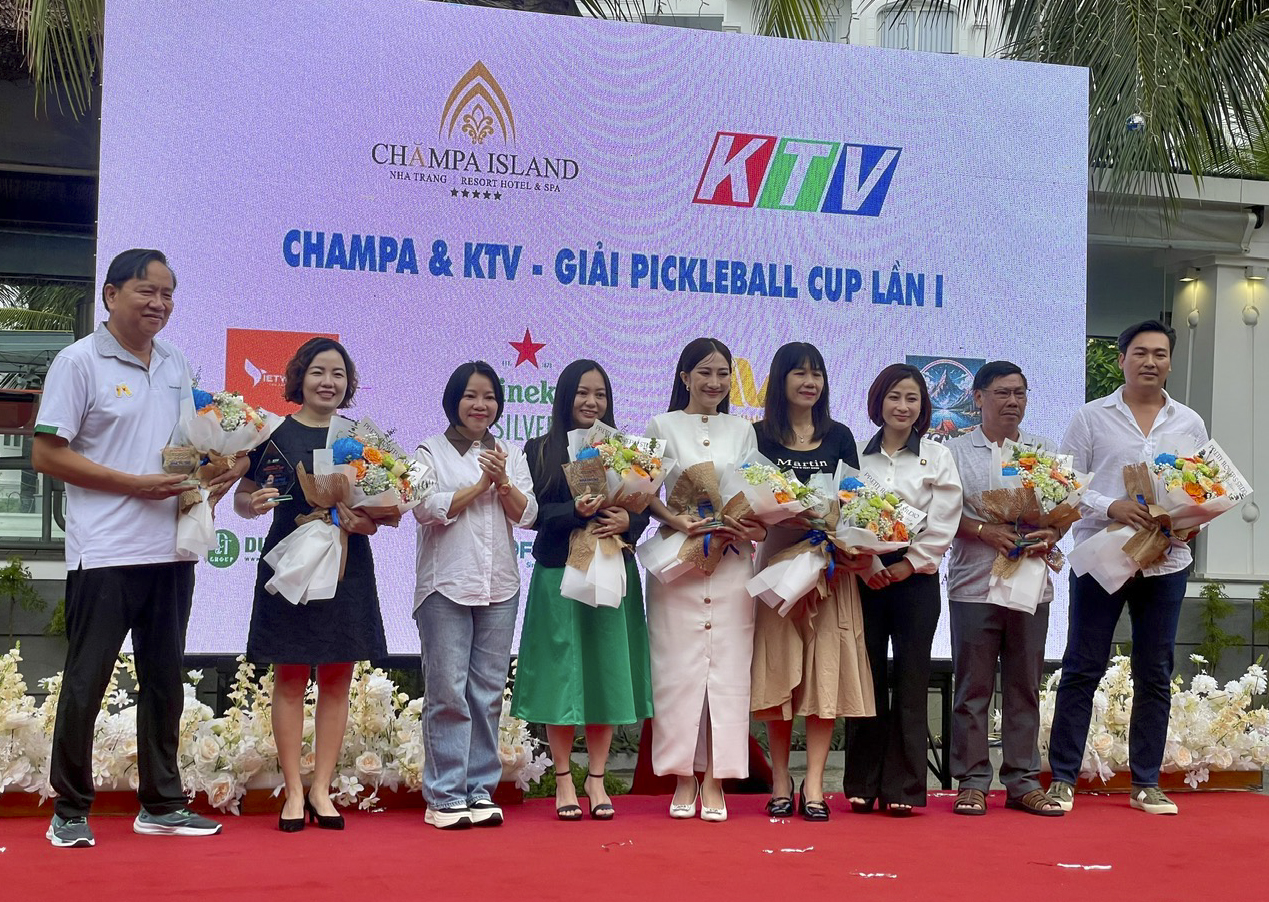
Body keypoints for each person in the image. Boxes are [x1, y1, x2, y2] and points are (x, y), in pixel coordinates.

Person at [33, 249, 240, 847]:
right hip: (106, 550)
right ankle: (70, 810)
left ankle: (163, 803)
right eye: (147, 291)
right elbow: (48, 454)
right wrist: (134, 485)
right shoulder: (79, 363)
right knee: (86, 681)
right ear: (110, 295)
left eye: (168, 294)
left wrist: (215, 469)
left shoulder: (176, 362)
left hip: (171, 548)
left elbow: (185, 447)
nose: (159, 303)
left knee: (164, 679)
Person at [1047, 320, 1208, 816]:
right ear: (1121, 359)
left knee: (1155, 670)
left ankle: (1145, 783)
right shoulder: (1091, 417)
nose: (1150, 362)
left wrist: (1193, 521)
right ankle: (1062, 779)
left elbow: (1201, 488)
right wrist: (1110, 506)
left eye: (1160, 354)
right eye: (1140, 352)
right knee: (1082, 666)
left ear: (1170, 362)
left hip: (1166, 561)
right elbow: (1065, 483)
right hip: (1103, 556)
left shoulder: (1190, 423)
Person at [233, 338, 385, 831]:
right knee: (291, 675)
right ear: (299, 378)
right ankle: (294, 790)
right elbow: (243, 496)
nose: (329, 381)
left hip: (345, 561)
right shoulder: (271, 433)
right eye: (319, 372)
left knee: (338, 675)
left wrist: (368, 518)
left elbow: (386, 506)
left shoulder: (363, 437)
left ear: (348, 383)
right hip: (291, 561)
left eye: (338, 374)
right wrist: (249, 506)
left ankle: (322, 788)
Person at [511, 360, 653, 820]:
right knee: (561, 674)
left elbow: (644, 509)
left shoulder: (622, 451)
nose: (592, 403)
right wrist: (574, 510)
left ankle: (596, 778)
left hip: (612, 567)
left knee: (605, 672)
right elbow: (533, 517)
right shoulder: (539, 449)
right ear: (564, 397)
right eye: (582, 393)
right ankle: (562, 779)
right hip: (559, 575)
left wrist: (629, 520)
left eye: (601, 395)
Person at [750, 342, 874, 822]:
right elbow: (748, 498)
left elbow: (857, 501)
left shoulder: (840, 436)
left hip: (830, 568)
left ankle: (817, 783)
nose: (810, 381)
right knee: (778, 674)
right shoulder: (758, 436)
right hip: (779, 567)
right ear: (780, 380)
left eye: (817, 373)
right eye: (799, 373)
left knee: (826, 675)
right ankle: (781, 780)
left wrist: (841, 527)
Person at [643, 337, 765, 822]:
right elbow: (645, 490)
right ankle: (682, 777)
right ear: (684, 377)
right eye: (704, 373)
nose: (714, 382)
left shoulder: (743, 429)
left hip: (733, 560)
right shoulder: (662, 424)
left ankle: (716, 776)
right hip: (679, 563)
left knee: (729, 673)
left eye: (722, 374)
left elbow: (756, 490)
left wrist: (746, 519)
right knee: (678, 674)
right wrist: (678, 523)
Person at [413, 361, 537, 829]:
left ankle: (479, 790)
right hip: (446, 584)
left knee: (486, 694)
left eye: (488, 397)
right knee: (447, 692)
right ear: (453, 400)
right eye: (470, 396)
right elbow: (426, 508)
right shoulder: (430, 451)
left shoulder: (508, 453)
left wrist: (502, 481)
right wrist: (480, 485)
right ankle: (444, 794)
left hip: (499, 586)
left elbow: (526, 515)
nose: (480, 405)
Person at [945, 361, 1063, 817]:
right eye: (1001, 393)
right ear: (977, 398)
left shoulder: (1043, 450)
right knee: (972, 687)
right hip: (973, 585)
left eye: (1020, 393)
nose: (1012, 402)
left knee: (1024, 685)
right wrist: (982, 530)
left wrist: (1053, 532)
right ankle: (973, 781)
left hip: (1032, 586)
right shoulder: (953, 451)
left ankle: (1024, 780)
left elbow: (1061, 509)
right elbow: (941, 516)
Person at [842, 363, 962, 816]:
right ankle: (861, 782)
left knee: (912, 680)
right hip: (864, 575)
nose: (902, 406)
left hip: (916, 581)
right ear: (878, 401)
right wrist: (867, 561)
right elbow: (844, 512)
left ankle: (905, 789)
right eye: (894, 397)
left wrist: (910, 564)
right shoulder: (854, 454)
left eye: (912, 398)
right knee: (865, 679)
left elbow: (945, 517)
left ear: (923, 407)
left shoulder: (937, 456)